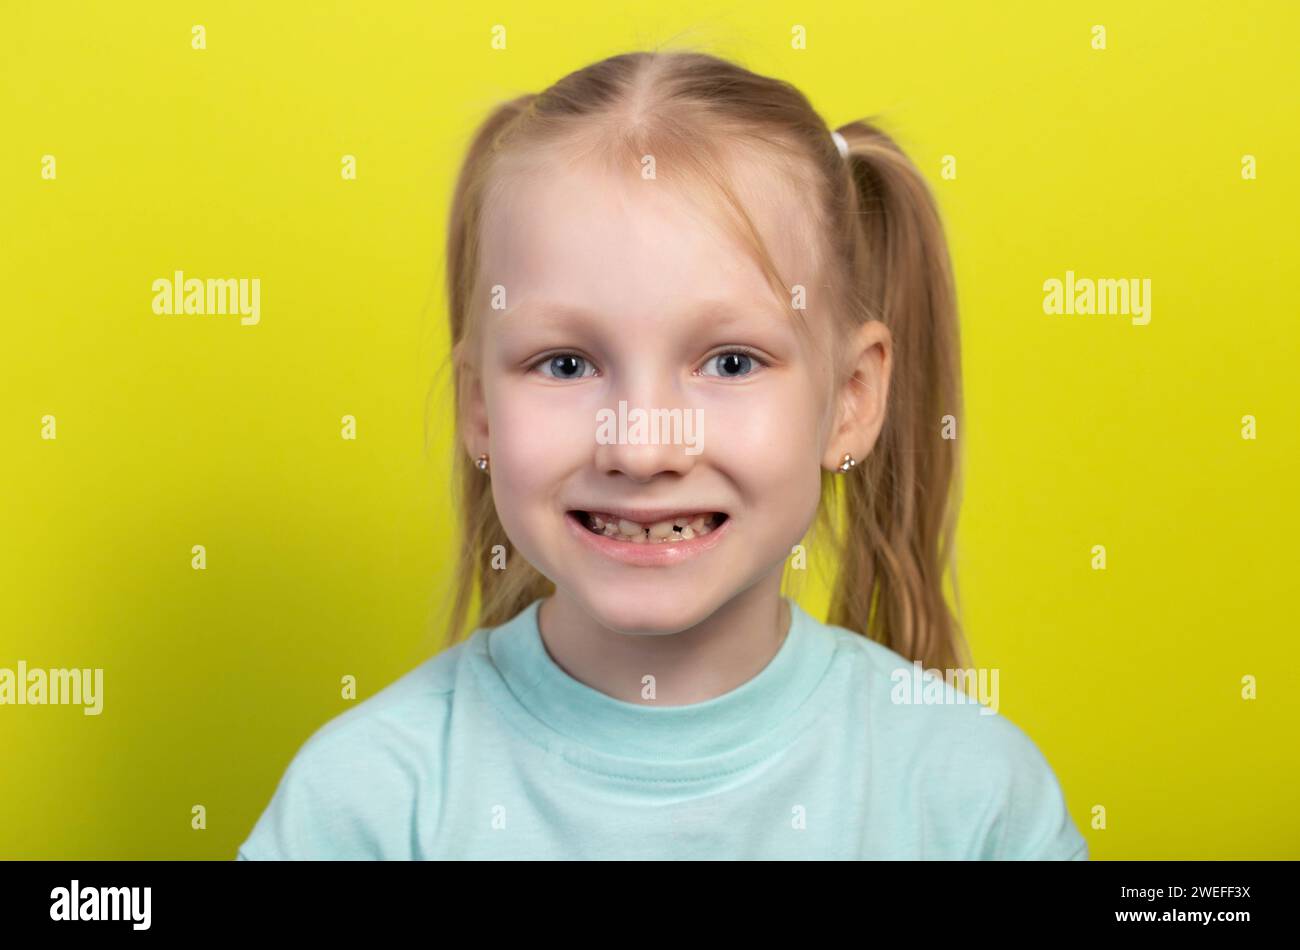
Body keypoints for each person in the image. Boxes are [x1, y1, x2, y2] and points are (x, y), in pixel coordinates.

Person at [238, 48, 1088, 860]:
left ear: (851, 401)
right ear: (480, 408)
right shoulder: (362, 807)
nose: (642, 447)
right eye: (566, 364)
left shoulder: (975, 802)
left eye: (730, 362)